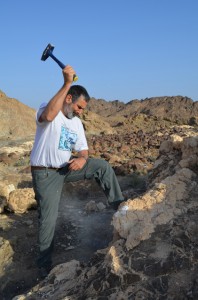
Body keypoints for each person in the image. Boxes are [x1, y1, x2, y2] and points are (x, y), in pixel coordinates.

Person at [30, 65, 125, 278]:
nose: (81, 112)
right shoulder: (49, 108)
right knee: (48, 219)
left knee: (102, 166)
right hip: (45, 174)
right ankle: (43, 268)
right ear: (69, 98)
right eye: (80, 107)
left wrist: (82, 159)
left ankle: (121, 209)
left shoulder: (77, 124)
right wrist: (66, 83)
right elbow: (48, 116)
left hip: (66, 168)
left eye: (84, 109)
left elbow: (83, 150)